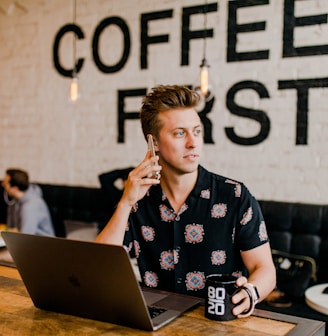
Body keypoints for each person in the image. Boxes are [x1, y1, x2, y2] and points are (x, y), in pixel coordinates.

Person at [95, 85, 276, 318]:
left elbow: (265, 269)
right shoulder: (139, 200)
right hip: (157, 325)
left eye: (197, 131)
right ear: (154, 143)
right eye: (180, 133)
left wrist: (251, 292)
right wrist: (124, 204)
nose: (193, 143)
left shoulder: (235, 196)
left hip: (219, 325)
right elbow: (99, 270)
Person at [0, 168, 54, 263]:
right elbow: (10, 228)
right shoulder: (15, 202)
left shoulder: (31, 205)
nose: (3, 184)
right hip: (26, 245)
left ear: (15, 188)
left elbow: (25, 240)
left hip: (42, 249)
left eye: (6, 182)